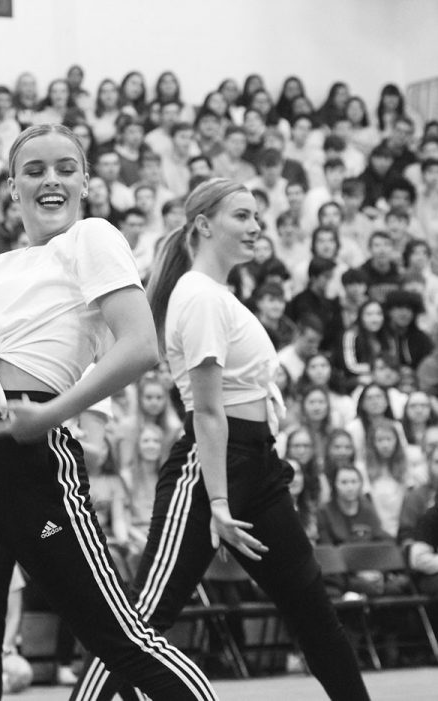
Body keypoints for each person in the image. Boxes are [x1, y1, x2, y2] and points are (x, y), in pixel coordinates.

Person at [0, 124, 216, 701]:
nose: (50, 180)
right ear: (11, 187)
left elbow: (140, 347)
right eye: (34, 171)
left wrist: (52, 414)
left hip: (29, 448)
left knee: (119, 637)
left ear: (85, 181)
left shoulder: (93, 238)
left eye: (64, 168)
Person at [72, 178, 369, 701]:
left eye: (257, 216)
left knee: (313, 612)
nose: (256, 227)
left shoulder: (218, 295)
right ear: (204, 226)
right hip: (211, 470)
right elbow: (208, 413)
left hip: (257, 467)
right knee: (140, 621)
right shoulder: (200, 296)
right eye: (242, 216)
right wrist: (220, 502)